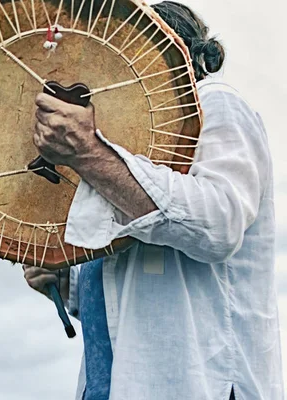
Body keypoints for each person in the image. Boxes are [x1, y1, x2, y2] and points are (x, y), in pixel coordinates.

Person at [23, 2, 283, 399]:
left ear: (169, 52)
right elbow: (130, 280)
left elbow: (218, 223)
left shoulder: (215, 105)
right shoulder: (127, 148)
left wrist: (90, 154)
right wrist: (67, 283)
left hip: (203, 384)